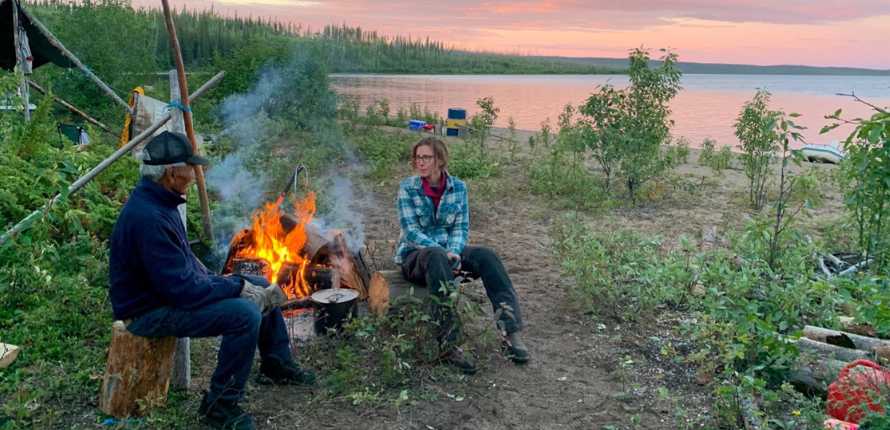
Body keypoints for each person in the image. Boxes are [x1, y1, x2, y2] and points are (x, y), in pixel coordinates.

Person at [108, 131, 314, 430]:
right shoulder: (149, 217)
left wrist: (237, 282)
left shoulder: (159, 201)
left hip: (168, 295)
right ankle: (220, 406)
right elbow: (183, 291)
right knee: (243, 314)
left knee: (258, 280)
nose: (194, 174)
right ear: (171, 172)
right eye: (190, 168)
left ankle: (276, 362)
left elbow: (184, 270)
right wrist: (236, 287)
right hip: (147, 312)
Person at [395, 136, 530, 374]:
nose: (420, 162)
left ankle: (510, 332)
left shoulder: (458, 187)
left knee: (487, 256)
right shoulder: (408, 187)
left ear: (440, 160)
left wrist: (454, 254)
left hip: (449, 254)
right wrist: (444, 253)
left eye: (426, 157)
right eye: (418, 157)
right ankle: (449, 344)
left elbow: (461, 228)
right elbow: (411, 232)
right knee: (436, 255)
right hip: (416, 258)